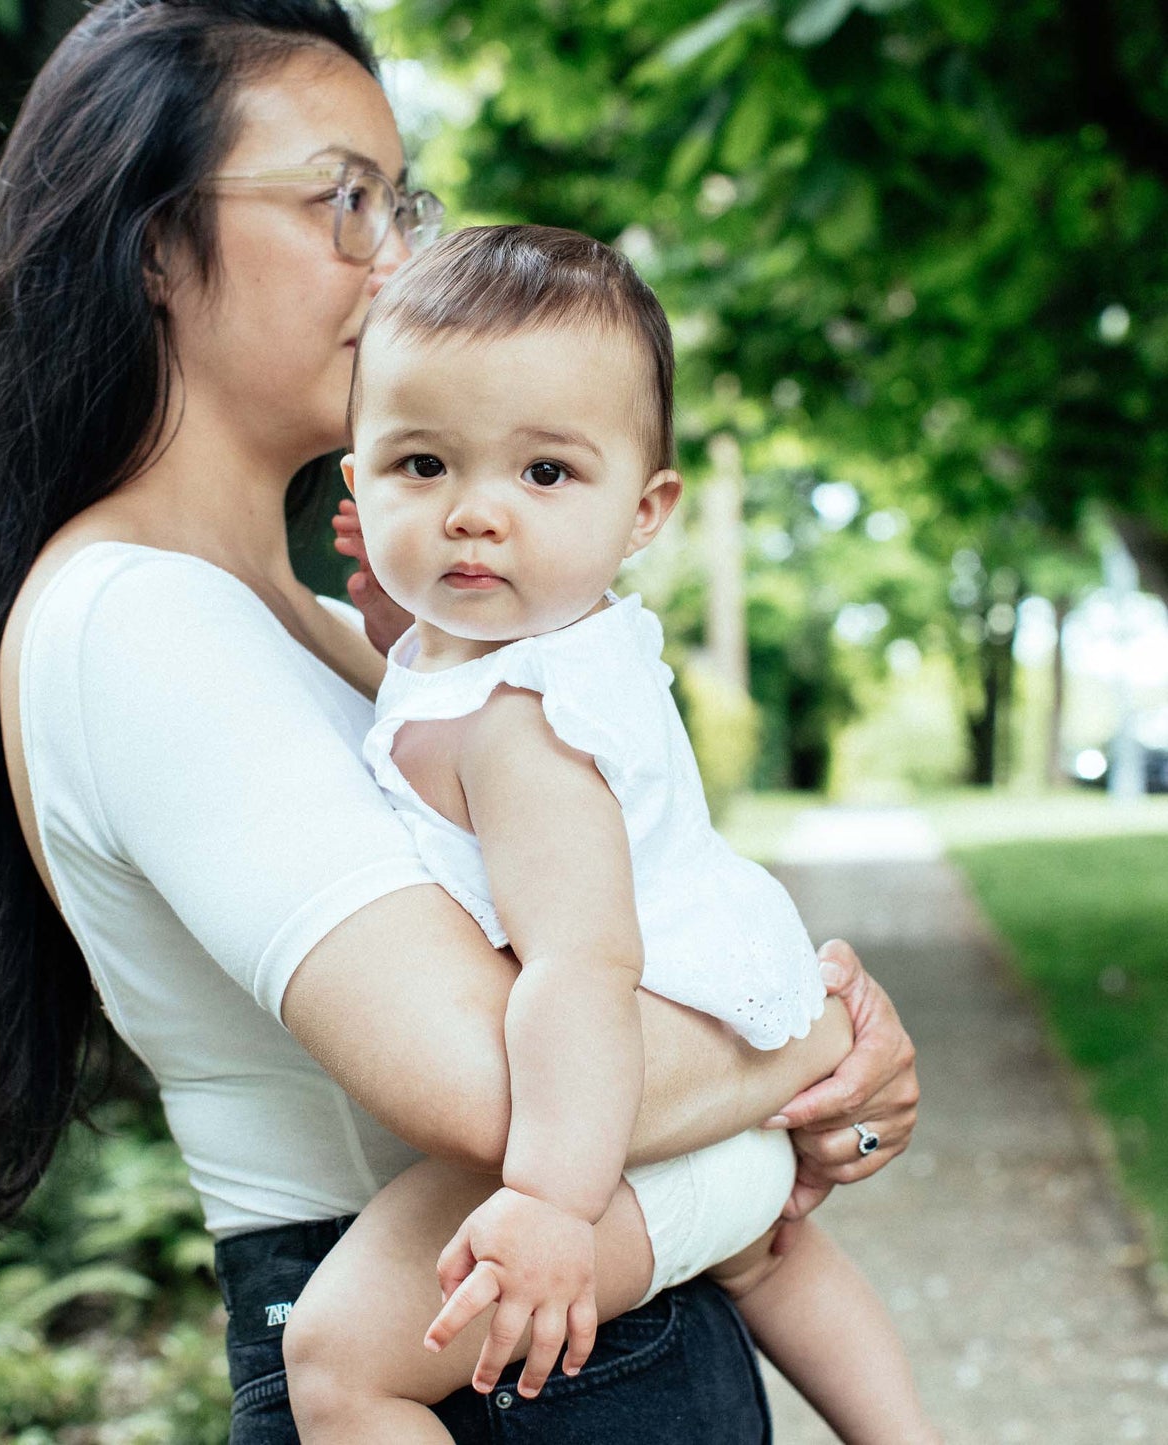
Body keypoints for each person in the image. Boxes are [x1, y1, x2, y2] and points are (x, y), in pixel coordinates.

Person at [0, 3, 921, 1441]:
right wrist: (808, 1042)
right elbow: (487, 1083)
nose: (394, 265)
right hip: (457, 1351)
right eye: (341, 202)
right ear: (150, 244)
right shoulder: (136, 619)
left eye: (402, 203)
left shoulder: (353, 632)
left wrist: (806, 1081)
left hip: (553, 1336)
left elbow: (585, 897)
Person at [279, 225, 939, 1445]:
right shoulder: (527, 645)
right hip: (733, 1084)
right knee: (771, 1261)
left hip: (608, 1127)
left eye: (543, 475)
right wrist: (395, 622)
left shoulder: (521, 729)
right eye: (422, 464)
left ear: (643, 510)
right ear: (355, 487)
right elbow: (443, 675)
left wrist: (542, 1200)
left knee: (335, 1365)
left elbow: (582, 963)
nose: (475, 515)